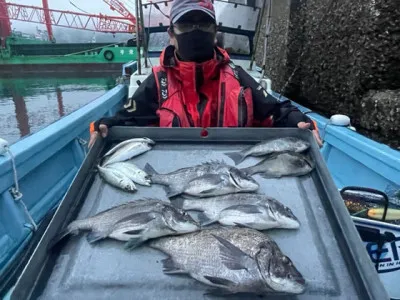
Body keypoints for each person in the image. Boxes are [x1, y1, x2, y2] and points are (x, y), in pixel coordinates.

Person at [88, 0, 322, 147]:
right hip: (175, 173)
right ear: (172, 33)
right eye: (186, 25)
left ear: (214, 32)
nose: (195, 30)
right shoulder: (157, 82)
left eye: (204, 24)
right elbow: (127, 120)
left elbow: (276, 112)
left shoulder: (239, 77)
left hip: (234, 174)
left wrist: (299, 120)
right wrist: (104, 125)